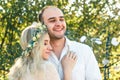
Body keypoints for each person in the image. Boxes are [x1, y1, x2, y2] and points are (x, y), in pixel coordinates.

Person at [38, 6, 102, 80]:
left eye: (61, 19)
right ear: (41, 26)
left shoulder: (84, 51)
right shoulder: (37, 58)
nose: (59, 24)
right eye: (52, 20)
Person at [8, 22, 77, 80]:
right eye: (45, 43)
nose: (50, 48)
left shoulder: (17, 71)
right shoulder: (46, 68)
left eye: (49, 43)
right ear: (35, 45)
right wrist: (67, 71)